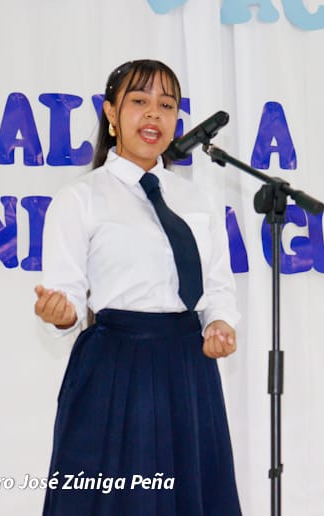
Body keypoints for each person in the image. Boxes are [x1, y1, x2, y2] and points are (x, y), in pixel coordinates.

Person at [34, 59, 242, 515]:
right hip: (113, 369)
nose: (153, 114)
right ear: (111, 113)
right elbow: (66, 294)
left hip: (188, 369)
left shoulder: (196, 199)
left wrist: (220, 324)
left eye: (166, 105)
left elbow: (217, 286)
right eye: (139, 101)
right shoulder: (80, 198)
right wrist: (61, 314)